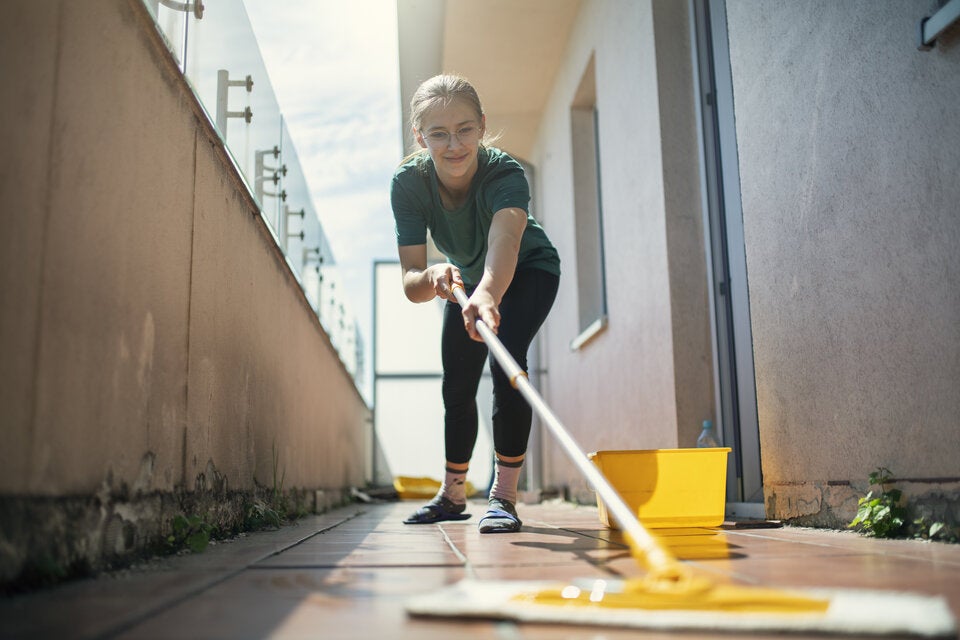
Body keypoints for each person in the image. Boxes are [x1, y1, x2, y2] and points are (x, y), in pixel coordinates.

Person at [390, 74, 561, 533]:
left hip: (527, 272)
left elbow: (505, 242)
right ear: (419, 135)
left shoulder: (505, 173)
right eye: (438, 133)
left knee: (508, 363)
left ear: (483, 126)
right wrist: (433, 276)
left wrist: (488, 293)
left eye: (465, 129)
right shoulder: (409, 184)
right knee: (457, 384)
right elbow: (411, 282)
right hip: (463, 280)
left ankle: (504, 497)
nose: (453, 145)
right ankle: (452, 495)